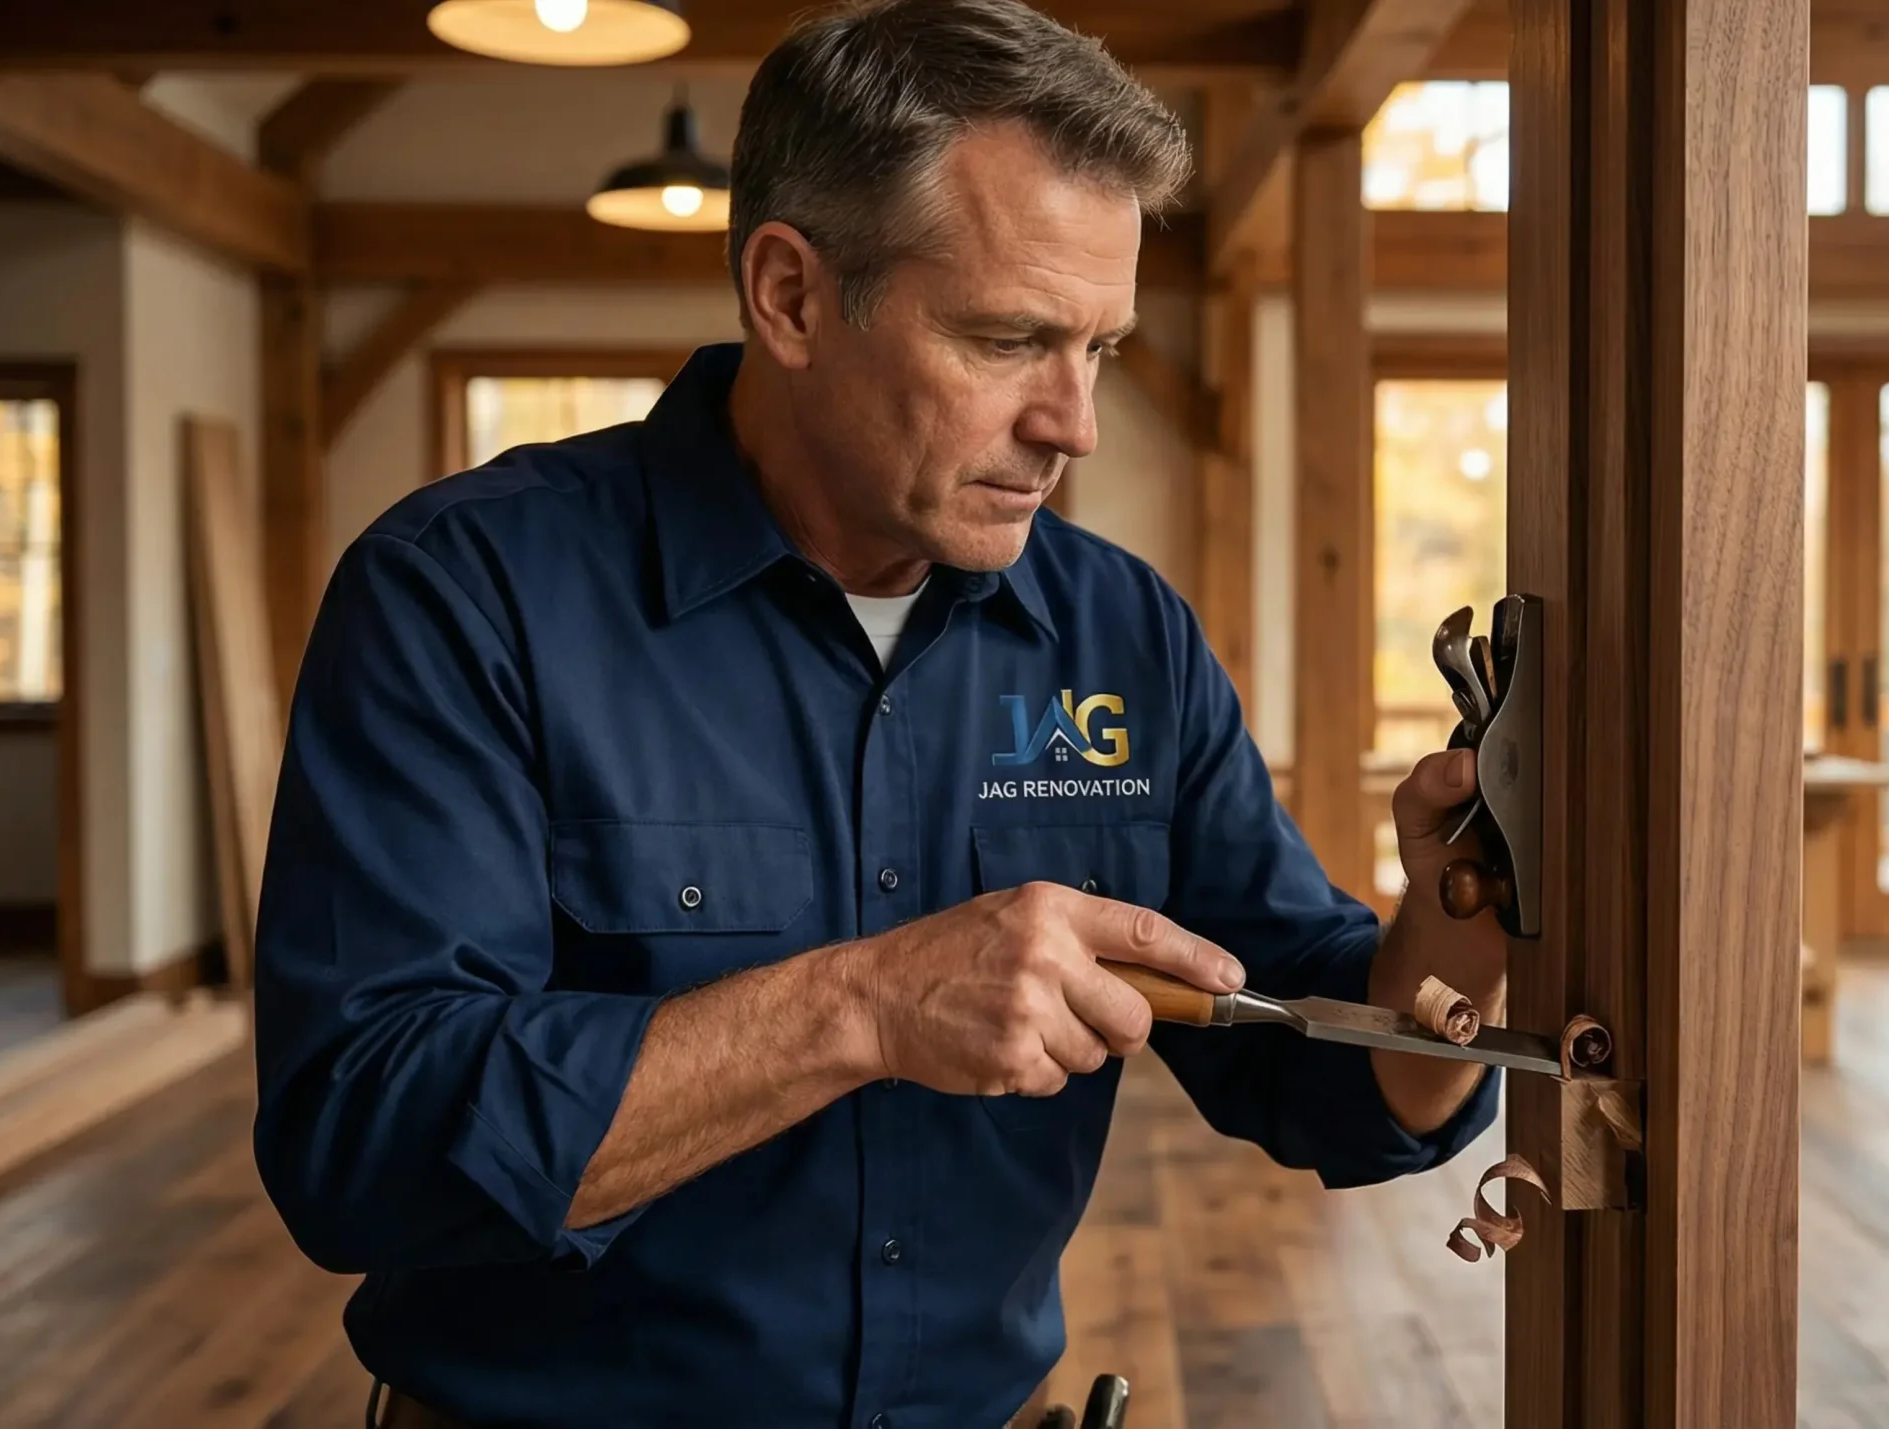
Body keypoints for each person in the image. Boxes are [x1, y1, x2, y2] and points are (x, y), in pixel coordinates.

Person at [250, 2, 1506, 1425]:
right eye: (1009, 338)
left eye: (1098, 347)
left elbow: (1320, 1070)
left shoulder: (1121, 637)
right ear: (789, 294)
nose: (1074, 423)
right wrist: (864, 1004)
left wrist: (1461, 906)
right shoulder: (466, 595)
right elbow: (363, 1146)